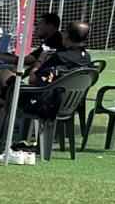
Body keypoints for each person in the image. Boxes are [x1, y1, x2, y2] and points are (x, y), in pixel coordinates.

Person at [7, 19, 93, 148]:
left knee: (4, 83)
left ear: (68, 35)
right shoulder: (86, 57)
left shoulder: (60, 57)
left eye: (64, 32)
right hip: (70, 104)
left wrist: (40, 60)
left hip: (45, 104)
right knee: (5, 92)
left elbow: (32, 78)